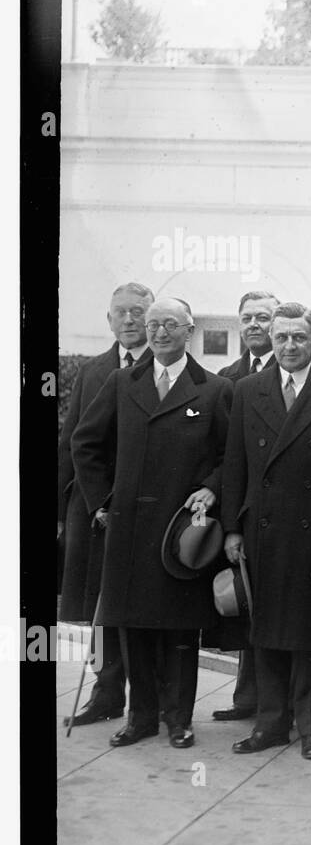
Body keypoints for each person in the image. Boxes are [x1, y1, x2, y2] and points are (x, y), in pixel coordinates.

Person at [72, 298, 233, 750]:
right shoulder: (123, 382)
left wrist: (212, 488)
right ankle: (139, 717)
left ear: (189, 332)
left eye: (170, 326)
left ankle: (178, 720)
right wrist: (101, 501)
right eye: (153, 325)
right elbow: (86, 443)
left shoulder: (215, 389)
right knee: (134, 629)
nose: (160, 333)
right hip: (129, 530)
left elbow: (230, 457)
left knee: (181, 632)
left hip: (183, 533)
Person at [220, 303, 311, 760]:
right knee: (266, 632)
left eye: (298, 337)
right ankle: (270, 725)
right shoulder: (247, 389)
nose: (288, 346)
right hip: (262, 532)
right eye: (281, 337)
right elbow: (235, 465)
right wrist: (231, 528)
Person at [58, 282, 154, 726]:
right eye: (122, 312)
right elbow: (74, 443)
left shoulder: (166, 367)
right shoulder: (93, 371)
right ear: (109, 319)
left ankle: (150, 702)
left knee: (143, 603)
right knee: (99, 603)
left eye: (139, 311)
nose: (130, 320)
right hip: (95, 506)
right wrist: (84, 506)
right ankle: (106, 690)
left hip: (146, 507)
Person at [212, 289, 281, 724]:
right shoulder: (227, 377)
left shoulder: (299, 371)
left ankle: (277, 702)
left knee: (277, 608)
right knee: (245, 603)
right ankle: (246, 698)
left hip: (287, 510)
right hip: (244, 509)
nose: (254, 325)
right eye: (247, 318)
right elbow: (224, 455)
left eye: (263, 317)